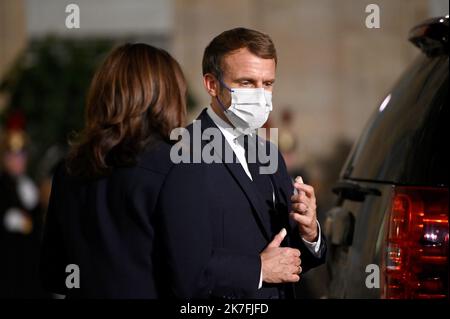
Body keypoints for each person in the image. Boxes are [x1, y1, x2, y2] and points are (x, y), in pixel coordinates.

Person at [157, 28, 326, 299]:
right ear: (211, 84)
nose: (260, 95)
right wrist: (257, 269)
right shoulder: (183, 153)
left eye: (267, 83)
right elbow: (184, 270)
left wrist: (309, 231)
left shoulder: (269, 153)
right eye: (247, 82)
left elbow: (290, 259)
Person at [39, 43, 187, 298]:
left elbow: (54, 274)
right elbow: (190, 276)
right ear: (168, 97)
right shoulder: (177, 167)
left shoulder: (69, 169)